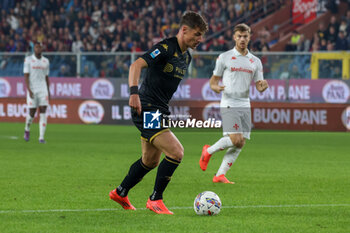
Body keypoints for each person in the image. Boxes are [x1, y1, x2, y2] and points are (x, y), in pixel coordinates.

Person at [109, 11, 208, 215]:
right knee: (176, 152)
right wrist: (133, 93)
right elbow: (136, 65)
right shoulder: (165, 47)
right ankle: (155, 199)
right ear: (184, 30)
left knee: (150, 161)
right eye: (197, 34)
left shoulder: (186, 57)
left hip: (160, 109)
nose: (200, 39)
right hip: (146, 107)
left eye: (201, 35)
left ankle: (121, 192)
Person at [199, 23, 268, 184]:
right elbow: (213, 81)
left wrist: (263, 86)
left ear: (249, 37)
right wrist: (216, 87)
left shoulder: (255, 61)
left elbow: (259, 85)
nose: (242, 39)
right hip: (229, 101)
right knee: (236, 139)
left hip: (245, 103)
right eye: (239, 36)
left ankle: (220, 175)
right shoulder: (224, 57)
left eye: (245, 36)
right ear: (234, 37)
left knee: (241, 142)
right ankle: (208, 151)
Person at [23, 41, 50, 144]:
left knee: (43, 111)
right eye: (36, 47)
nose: (38, 49)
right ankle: (27, 128)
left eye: (40, 47)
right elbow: (26, 76)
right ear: (34, 48)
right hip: (33, 89)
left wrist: (48, 91)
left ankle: (41, 138)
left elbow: (47, 77)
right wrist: (29, 89)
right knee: (32, 113)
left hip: (43, 89)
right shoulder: (28, 60)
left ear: (42, 48)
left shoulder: (46, 61)